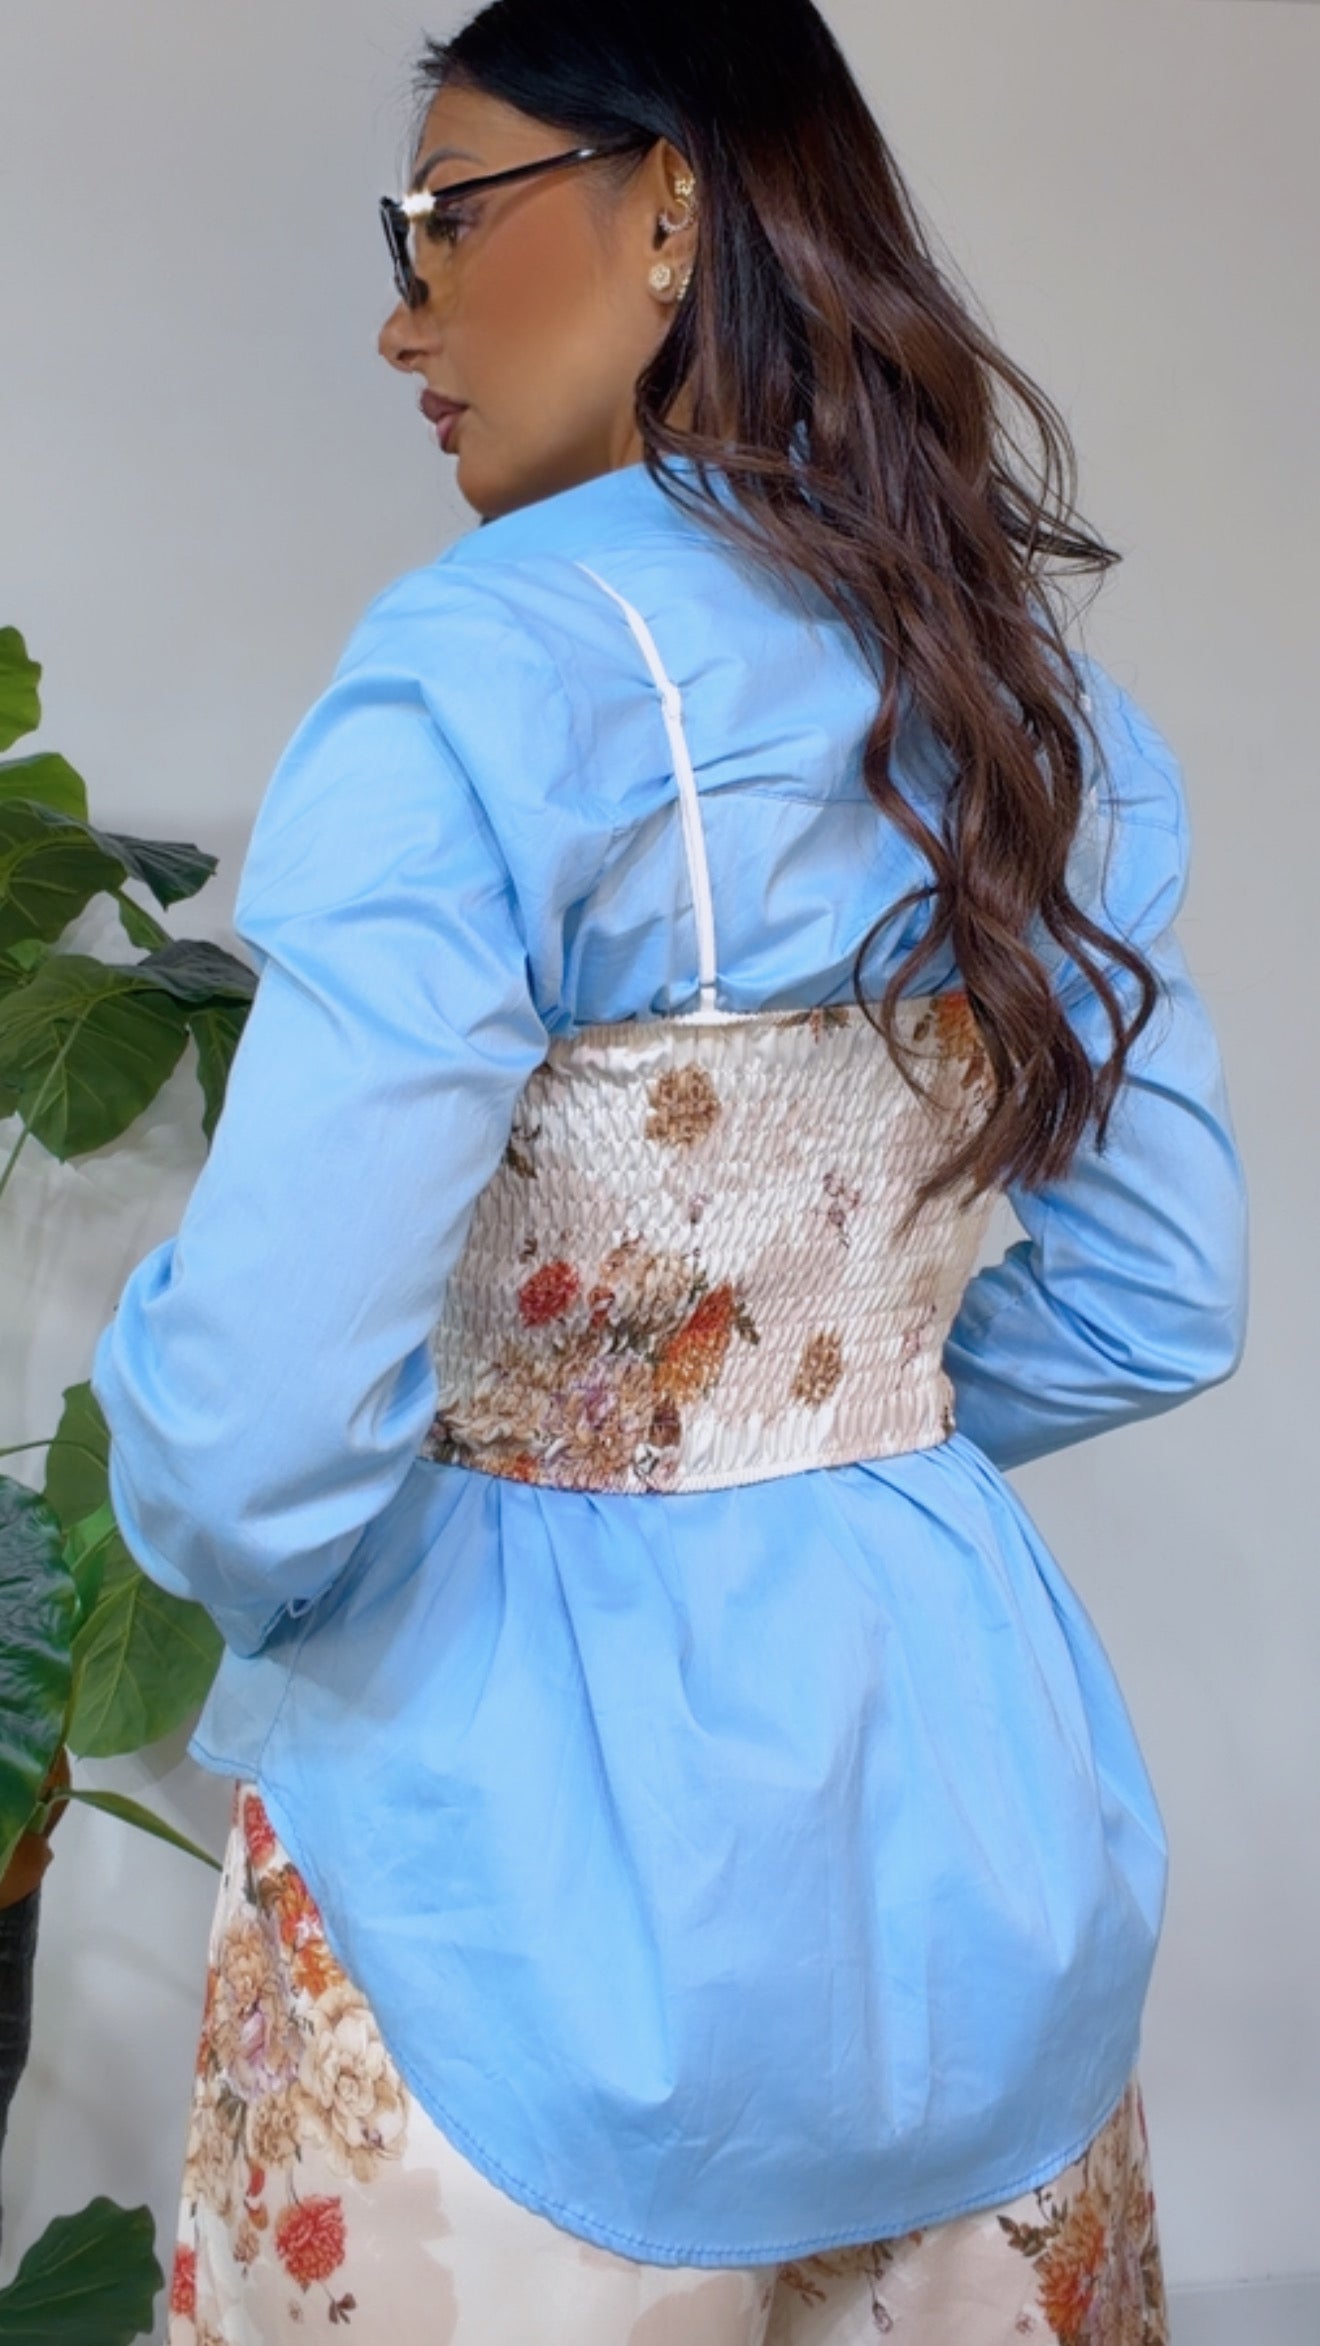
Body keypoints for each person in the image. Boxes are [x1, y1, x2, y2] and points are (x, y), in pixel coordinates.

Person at [90, 2, 1249, 2339]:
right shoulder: (1022, 693)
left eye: (446, 217)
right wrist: (821, 1440)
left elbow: (256, 1441)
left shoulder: (479, 676)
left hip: (501, 1909)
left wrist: (519, 1506)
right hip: (977, 1857)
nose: (401, 315)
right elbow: (1159, 1296)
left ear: (673, 207)